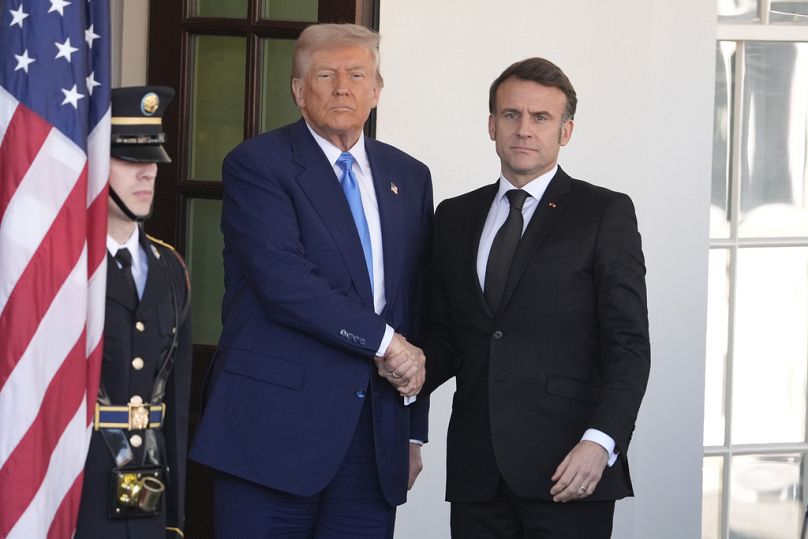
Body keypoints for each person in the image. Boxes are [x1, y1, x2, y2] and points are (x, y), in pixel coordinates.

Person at [379, 57, 650, 538]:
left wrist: (602, 443)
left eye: (541, 117)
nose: (524, 129)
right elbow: (448, 336)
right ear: (491, 124)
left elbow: (628, 344)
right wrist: (410, 365)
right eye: (511, 115)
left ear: (565, 131)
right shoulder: (455, 216)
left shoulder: (604, 212)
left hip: (569, 470)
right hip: (477, 474)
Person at [189, 23, 433, 538]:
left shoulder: (409, 176)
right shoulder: (258, 164)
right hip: (271, 437)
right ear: (300, 91)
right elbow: (284, 281)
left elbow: (413, 302)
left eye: (357, 74)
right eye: (326, 74)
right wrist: (387, 344)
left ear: (377, 90)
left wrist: (411, 432)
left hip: (372, 443)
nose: (343, 86)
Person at [75, 86, 192, 538]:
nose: (147, 174)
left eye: (153, 162)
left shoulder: (171, 268)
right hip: (78, 486)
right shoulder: (64, 270)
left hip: (147, 488)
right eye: (128, 161)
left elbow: (176, 405)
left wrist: (175, 519)